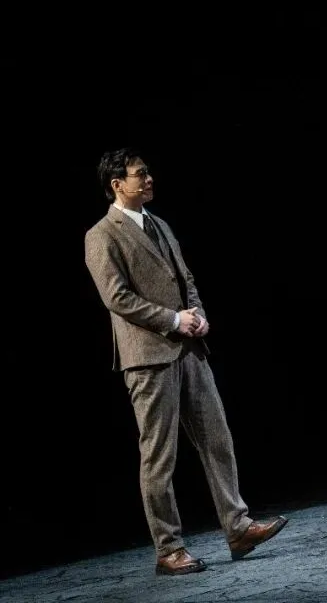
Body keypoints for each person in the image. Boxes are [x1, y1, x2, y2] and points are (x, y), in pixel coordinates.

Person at [84, 148, 287, 575]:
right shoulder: (101, 235)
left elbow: (185, 278)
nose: (149, 178)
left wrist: (198, 316)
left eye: (148, 172)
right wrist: (173, 319)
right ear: (117, 184)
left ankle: (238, 527)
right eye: (140, 174)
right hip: (148, 357)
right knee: (159, 455)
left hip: (189, 349)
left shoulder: (160, 224)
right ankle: (168, 548)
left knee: (218, 438)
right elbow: (117, 297)